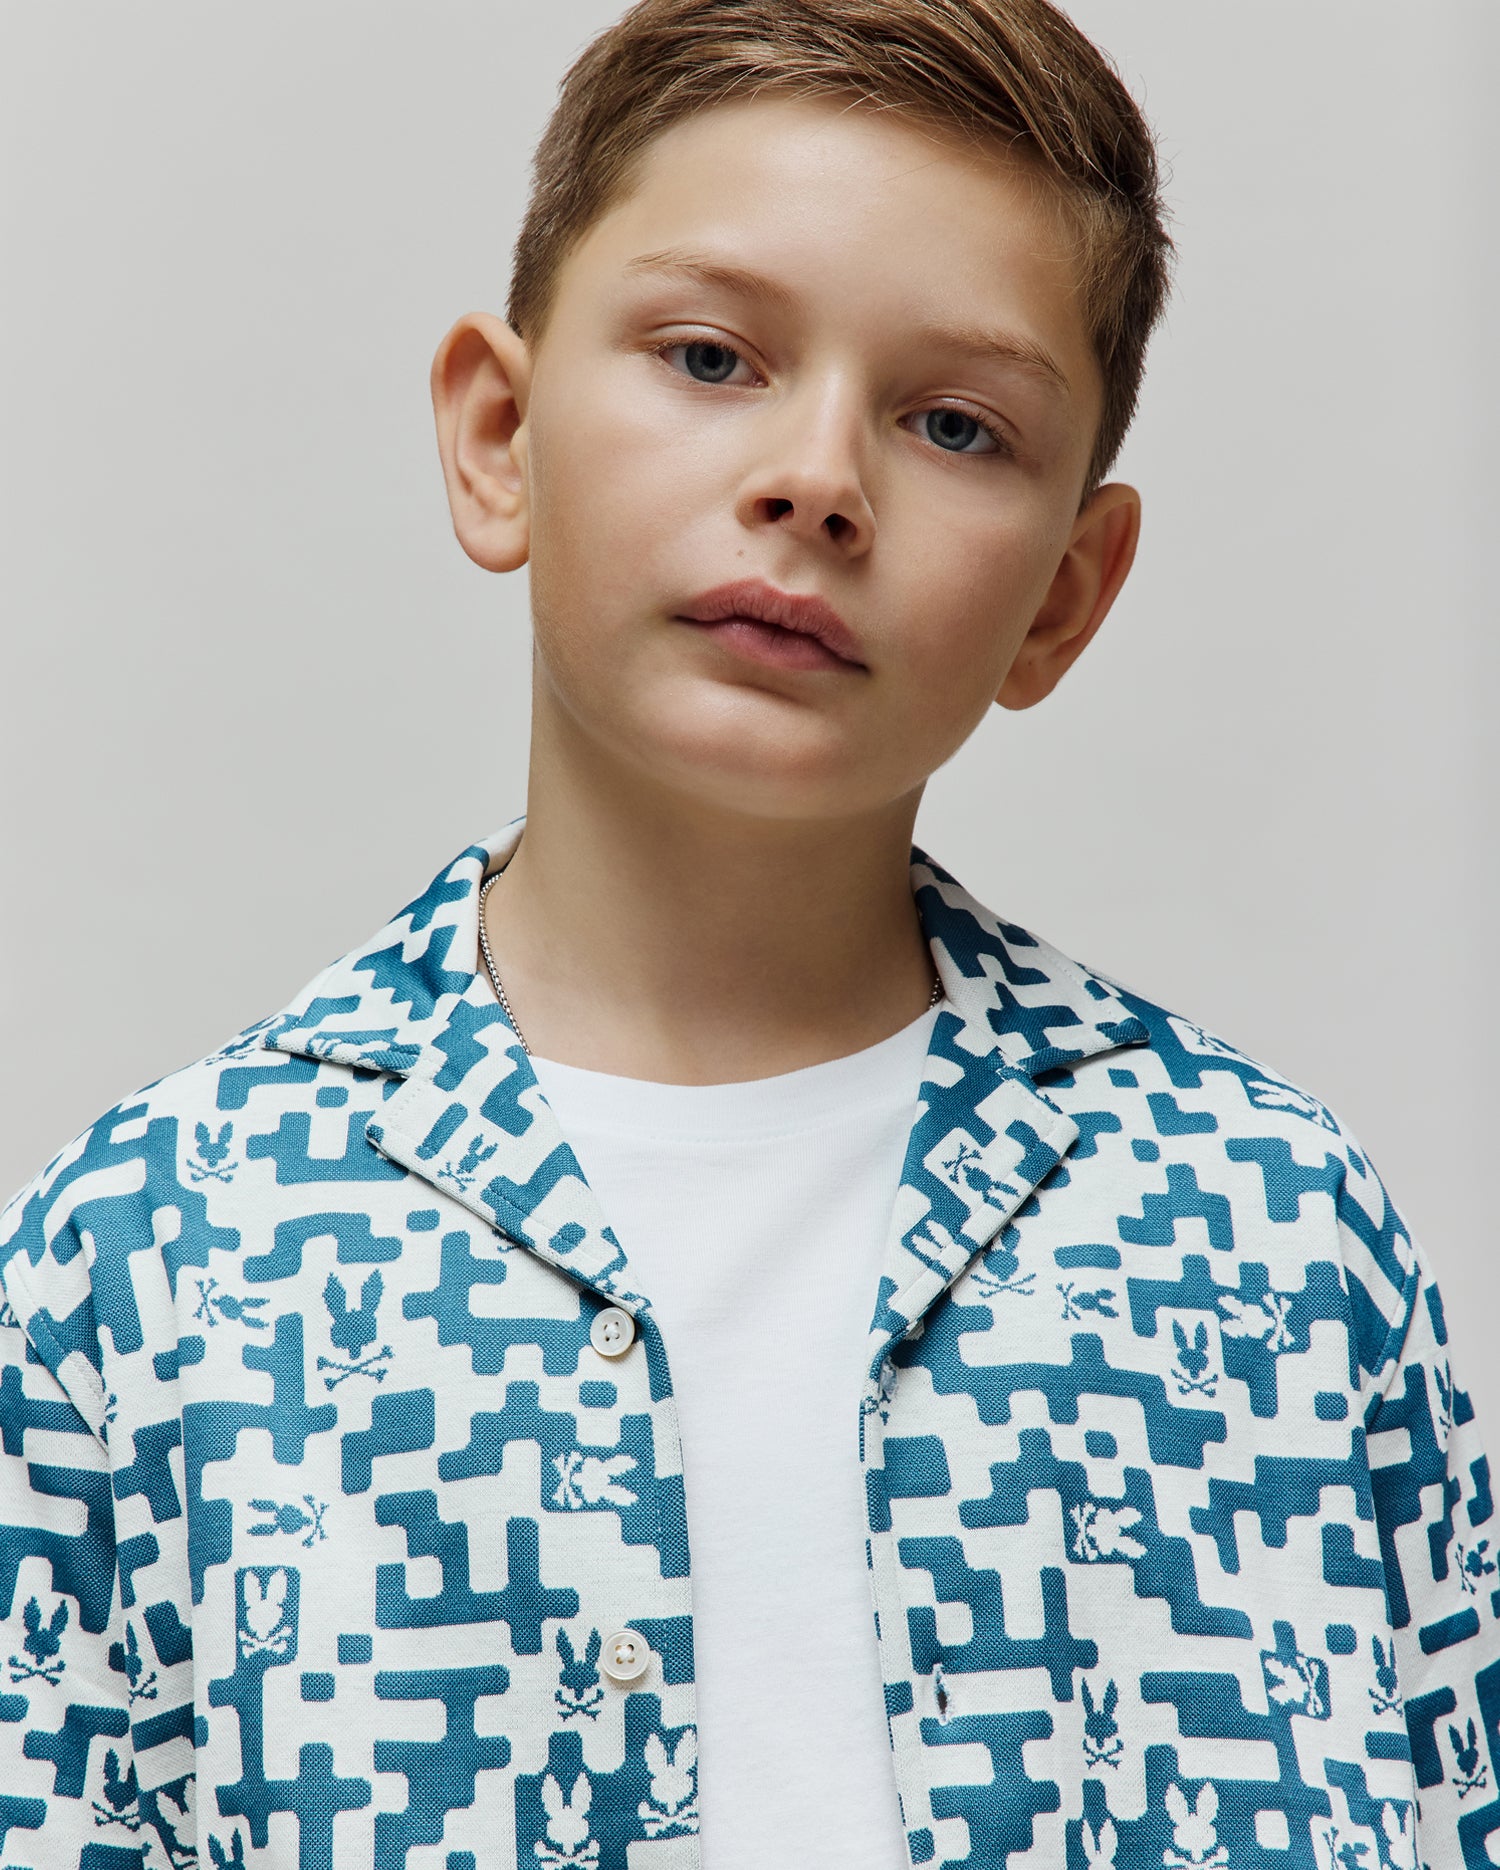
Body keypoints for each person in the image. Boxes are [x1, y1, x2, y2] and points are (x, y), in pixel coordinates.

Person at [0, 0, 1492, 1863]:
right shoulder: (150, 1266)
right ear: (499, 435)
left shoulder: (1274, 1236)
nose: (818, 480)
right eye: (711, 356)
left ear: (1064, 595)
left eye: (956, 423)